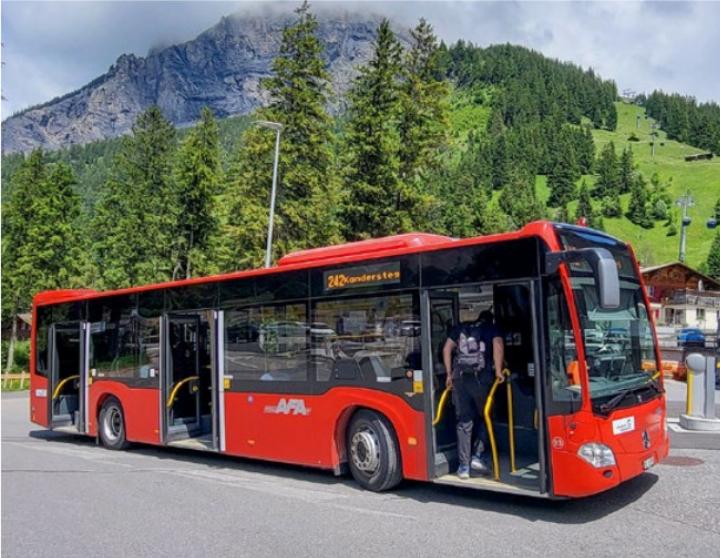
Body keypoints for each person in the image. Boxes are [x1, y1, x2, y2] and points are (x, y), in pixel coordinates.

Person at [443, 310, 505, 479]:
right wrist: (499, 371)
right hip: (481, 380)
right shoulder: (491, 328)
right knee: (485, 415)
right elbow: (498, 346)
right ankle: (477, 456)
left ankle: (463, 467)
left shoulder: (461, 328)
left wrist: (449, 374)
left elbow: (447, 348)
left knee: (464, 420)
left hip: (459, 379)